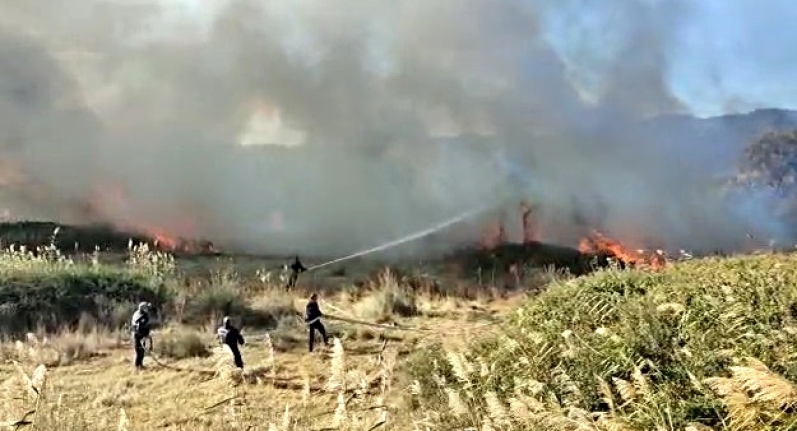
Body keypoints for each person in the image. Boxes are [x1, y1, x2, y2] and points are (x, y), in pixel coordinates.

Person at [131, 302, 152, 370]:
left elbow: (146, 325)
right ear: (142, 308)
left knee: (142, 352)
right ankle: (137, 366)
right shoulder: (138, 315)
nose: (147, 309)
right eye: (146, 307)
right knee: (138, 352)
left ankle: (141, 365)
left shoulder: (144, 315)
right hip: (137, 336)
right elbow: (137, 326)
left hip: (142, 336)